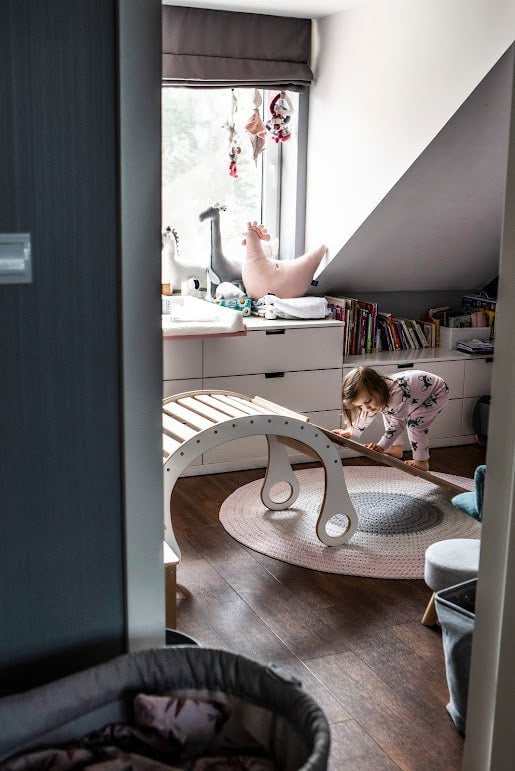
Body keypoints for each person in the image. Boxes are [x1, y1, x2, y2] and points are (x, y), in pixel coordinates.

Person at [333, 366, 450, 471]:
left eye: (368, 401)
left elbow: (398, 424)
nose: (366, 407)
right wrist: (350, 431)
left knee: (415, 425)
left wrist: (381, 446)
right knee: (388, 412)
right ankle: (396, 448)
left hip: (436, 392)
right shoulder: (377, 395)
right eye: (360, 405)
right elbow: (366, 416)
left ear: (377, 387)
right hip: (417, 394)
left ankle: (422, 461)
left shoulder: (396, 394)